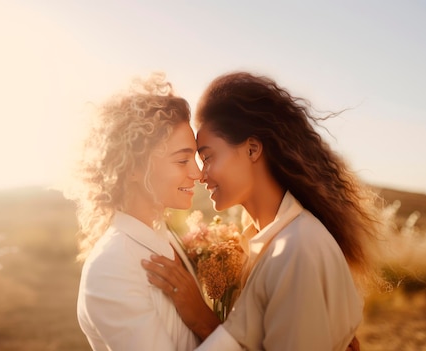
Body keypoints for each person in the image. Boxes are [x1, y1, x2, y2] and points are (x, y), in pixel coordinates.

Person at [142, 71, 380, 351]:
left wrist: (202, 320)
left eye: (207, 157)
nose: (200, 175)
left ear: (252, 149)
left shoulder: (295, 250)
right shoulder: (263, 240)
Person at [65, 72, 204, 351]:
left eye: (196, 158)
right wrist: (230, 329)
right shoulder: (112, 267)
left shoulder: (164, 236)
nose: (197, 173)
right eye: (182, 160)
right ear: (133, 169)